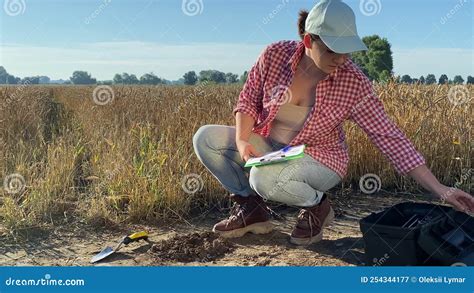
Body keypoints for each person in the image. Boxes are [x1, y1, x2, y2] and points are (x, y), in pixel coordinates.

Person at [192, 0, 474, 245]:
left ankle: (318, 207)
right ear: (308, 42)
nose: (341, 59)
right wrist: (242, 139)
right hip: (271, 146)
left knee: (263, 178)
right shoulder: (274, 55)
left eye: (347, 51)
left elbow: (390, 138)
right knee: (205, 139)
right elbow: (248, 99)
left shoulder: (354, 83)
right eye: (331, 51)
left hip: (321, 159)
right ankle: (251, 210)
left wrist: (440, 189)